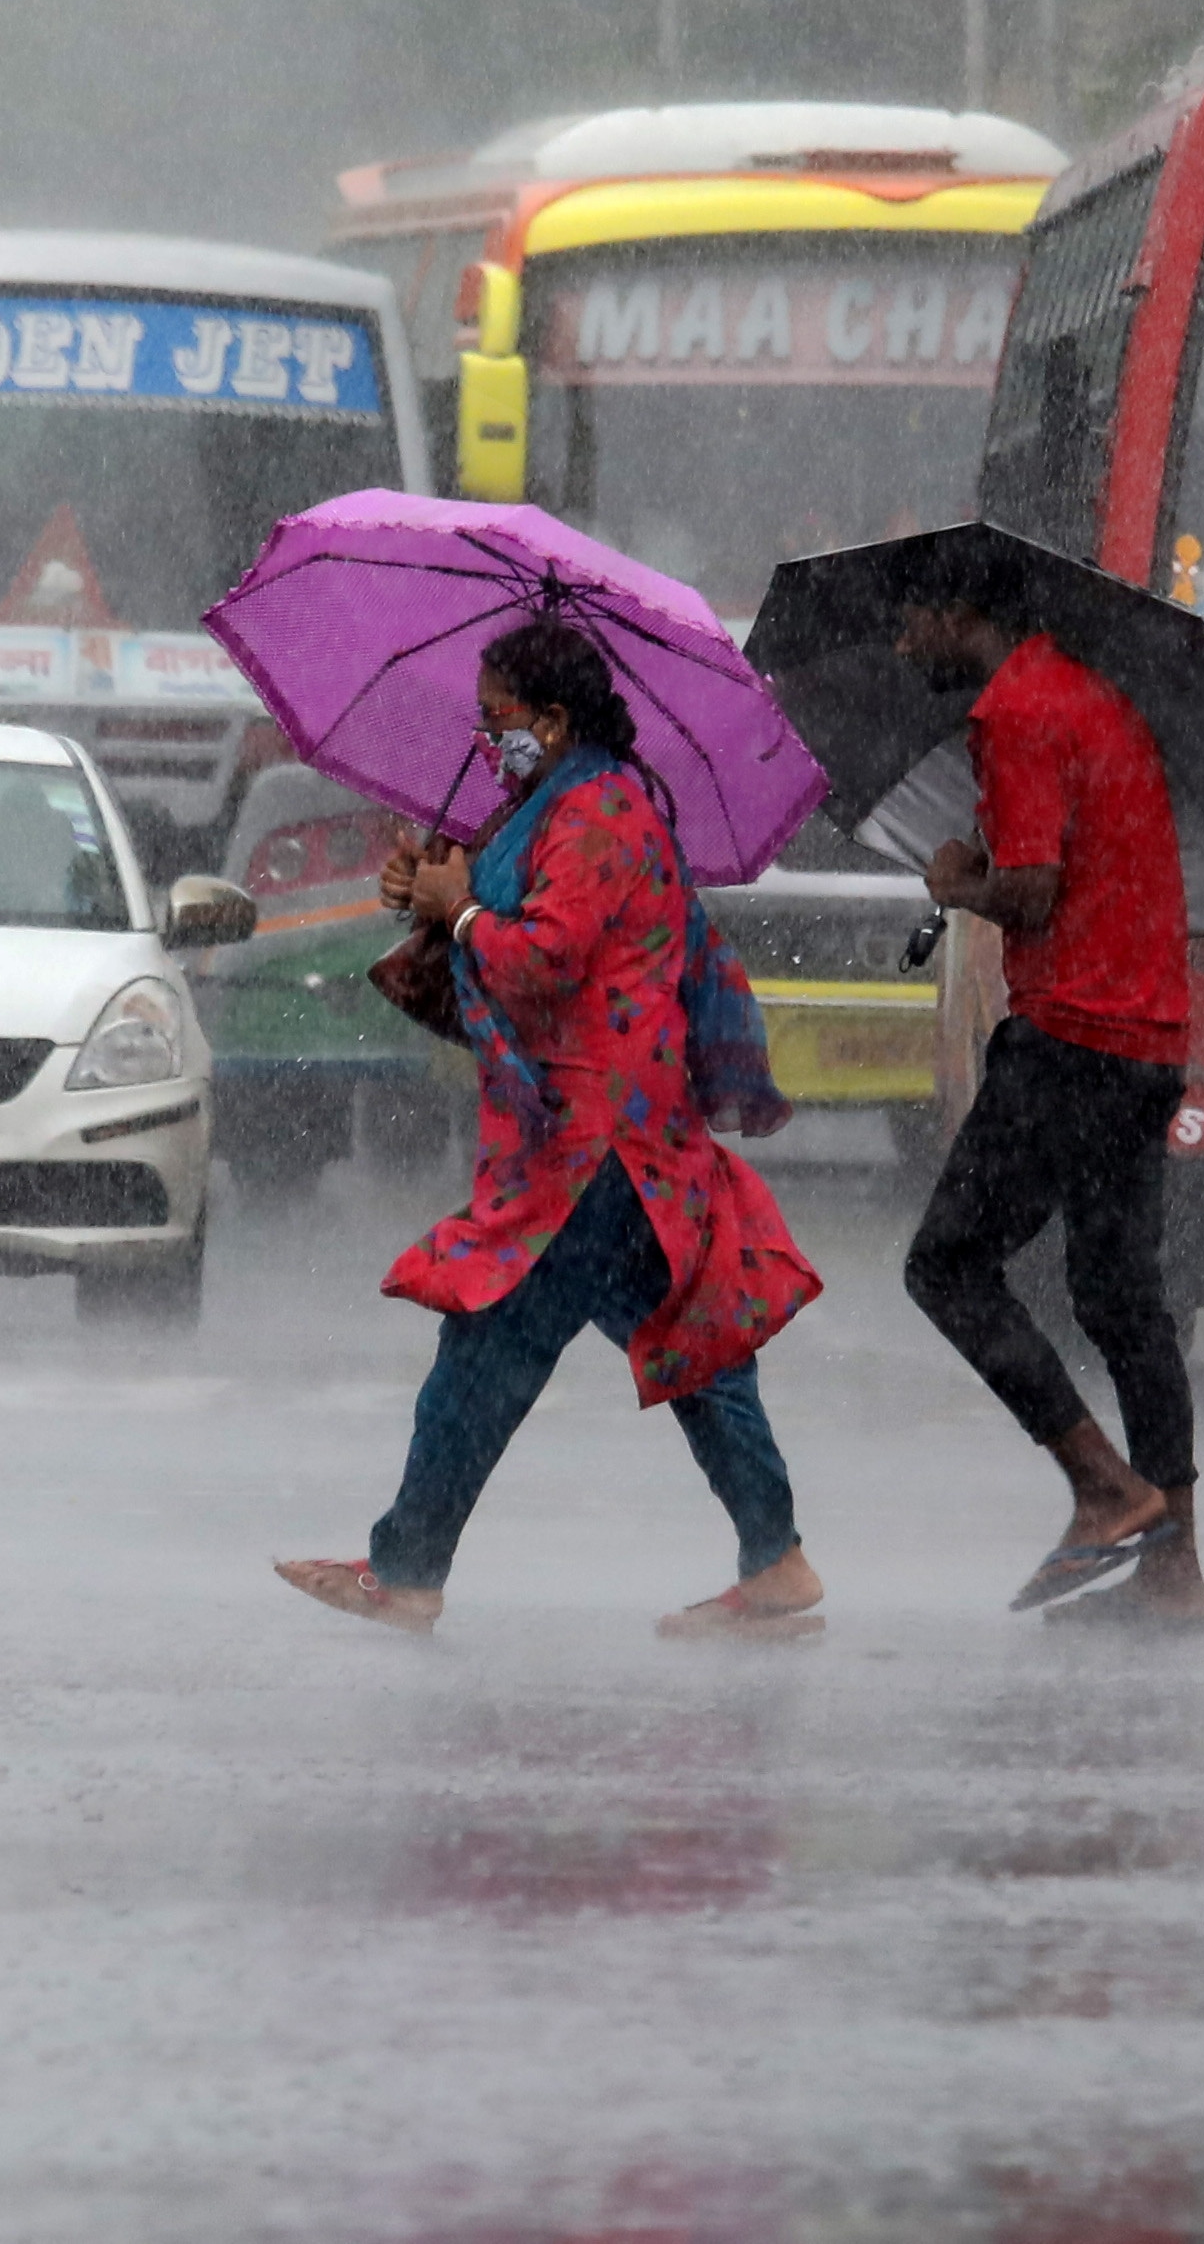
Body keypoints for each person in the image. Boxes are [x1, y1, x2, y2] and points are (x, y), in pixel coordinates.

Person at [276, 618, 828, 1640]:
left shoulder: (599, 815)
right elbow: (505, 911)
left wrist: (463, 914)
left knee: (486, 1348)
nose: (489, 740)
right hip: (625, 1143)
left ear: (556, 718)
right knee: (694, 1349)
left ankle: (404, 1570)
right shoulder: (555, 806)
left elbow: (543, 956)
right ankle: (777, 1564)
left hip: (591, 1149)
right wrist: (431, 892)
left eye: (500, 720)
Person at [893, 559, 1204, 1630]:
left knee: (945, 1263)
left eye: (911, 622)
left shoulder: (1017, 713)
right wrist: (985, 854)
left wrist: (958, 886)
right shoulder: (1084, 697)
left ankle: (1102, 1489)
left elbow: (1031, 893)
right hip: (1146, 1037)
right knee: (1120, 1296)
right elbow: (1071, 857)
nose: (904, 648)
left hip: (1071, 1040)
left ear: (958, 608)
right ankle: (1176, 1573)